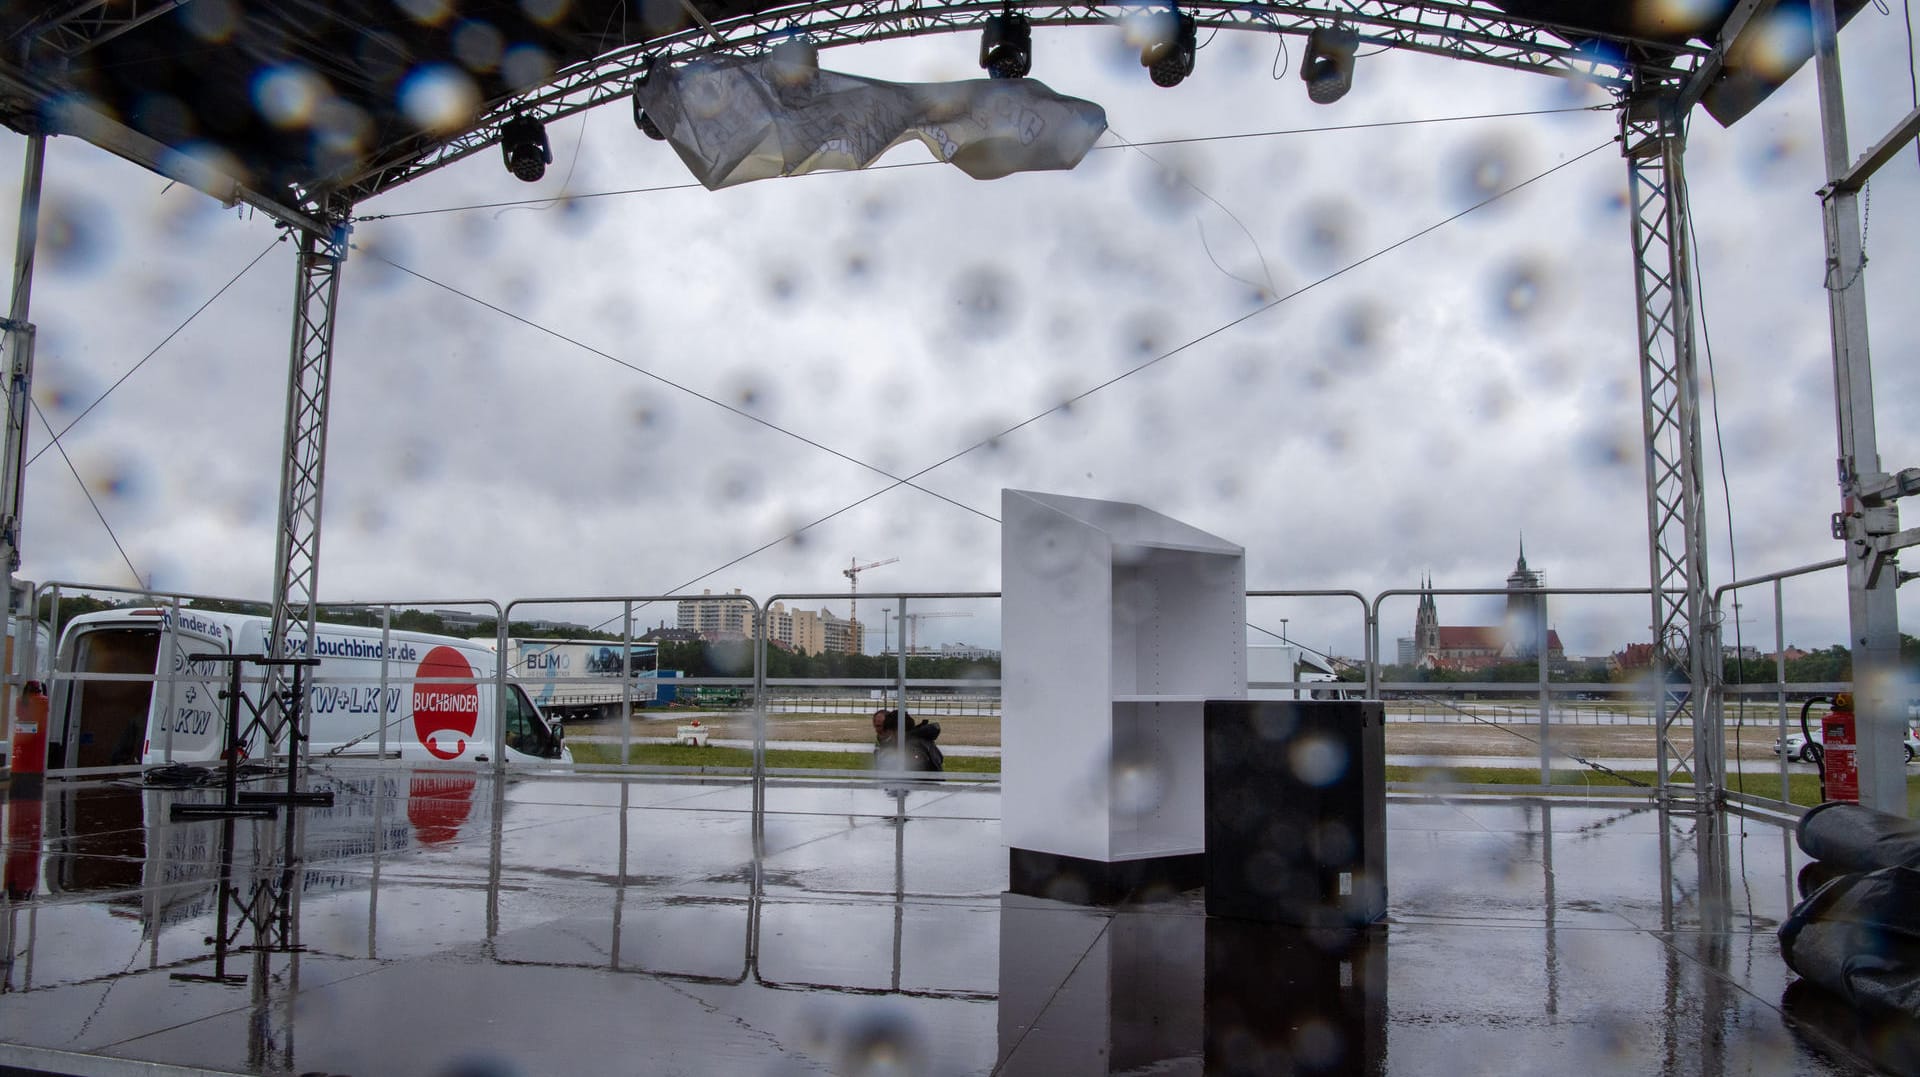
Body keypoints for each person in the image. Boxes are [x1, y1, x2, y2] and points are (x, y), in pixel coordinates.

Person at [872, 708, 944, 772]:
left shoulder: (913, 747)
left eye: (890, 732)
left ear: (897, 730)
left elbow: (914, 775)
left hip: (923, 786)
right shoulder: (921, 741)